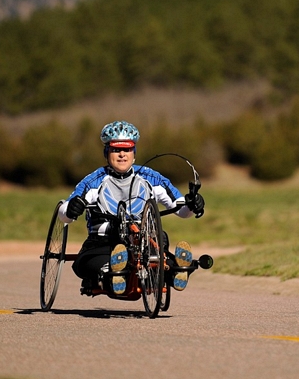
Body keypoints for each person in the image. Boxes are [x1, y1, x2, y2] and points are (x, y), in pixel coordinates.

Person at [57, 120, 205, 295]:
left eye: (126, 150)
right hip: (104, 241)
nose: (122, 154)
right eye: (116, 150)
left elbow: (181, 209)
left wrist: (193, 204)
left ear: (133, 153)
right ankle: (112, 272)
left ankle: (176, 271)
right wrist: (71, 209)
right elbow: (64, 213)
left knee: (158, 253)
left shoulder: (152, 177)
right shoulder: (93, 181)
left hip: (143, 240)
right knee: (87, 261)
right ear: (107, 153)